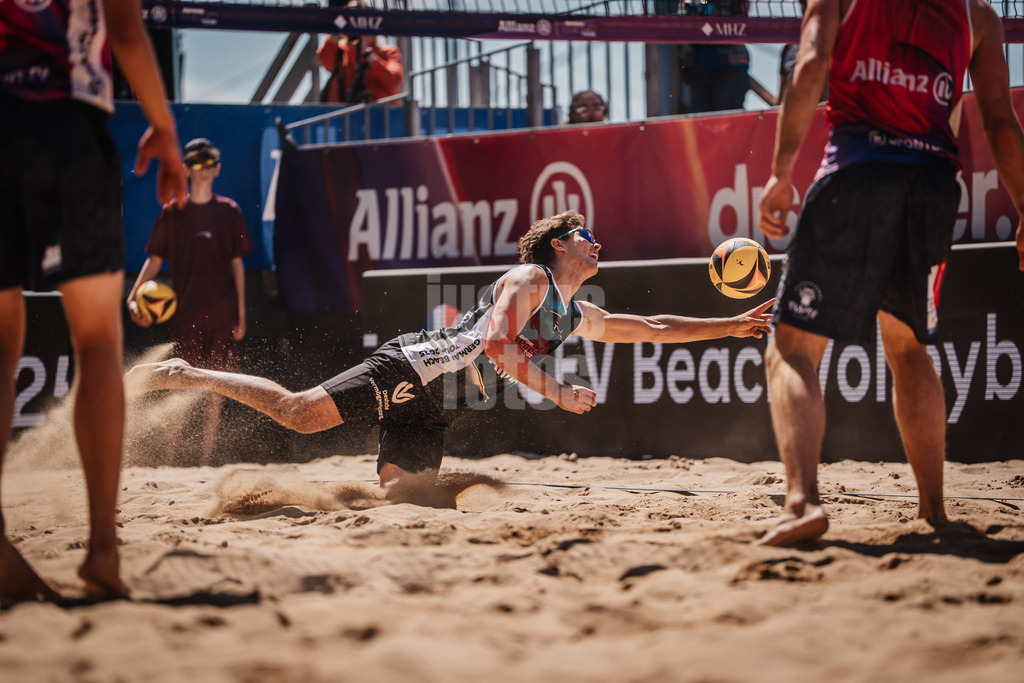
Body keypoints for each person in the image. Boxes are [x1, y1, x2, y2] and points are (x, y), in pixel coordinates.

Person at [128, 211, 774, 491]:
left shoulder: (574, 312)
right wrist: (558, 391)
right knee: (299, 413)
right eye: (587, 236)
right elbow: (495, 344)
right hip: (415, 366)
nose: (597, 245)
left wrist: (733, 323)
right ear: (558, 246)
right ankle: (186, 372)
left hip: (437, 412)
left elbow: (655, 326)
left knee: (404, 504)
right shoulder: (529, 280)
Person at [757, 0, 1024, 547]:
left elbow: (809, 65)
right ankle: (934, 511)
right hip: (931, 187)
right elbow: (1000, 122)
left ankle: (802, 502)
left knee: (792, 348)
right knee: (908, 348)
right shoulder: (978, 16)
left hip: (858, 170)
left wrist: (781, 172)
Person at [0, 0, 186, 601]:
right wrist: (164, 129)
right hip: (67, 130)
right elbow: (128, 31)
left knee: (3, 345)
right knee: (100, 342)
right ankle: (103, 552)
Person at [127, 138, 253, 466]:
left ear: (217, 169)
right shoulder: (173, 213)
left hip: (223, 313)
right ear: (185, 168)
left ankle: (205, 459)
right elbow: (154, 261)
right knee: (178, 386)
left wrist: (241, 313)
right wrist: (132, 296)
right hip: (186, 314)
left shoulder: (229, 212)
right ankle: (170, 458)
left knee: (215, 389)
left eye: (208, 164)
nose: (202, 171)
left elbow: (238, 266)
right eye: (196, 165)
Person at [317, 1, 403, 105]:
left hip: (382, 117)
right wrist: (337, 30)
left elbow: (393, 81)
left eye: (363, 24)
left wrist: (368, 55)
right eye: (353, 23)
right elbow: (325, 60)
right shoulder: (341, 52)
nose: (357, 30)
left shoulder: (388, 52)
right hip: (344, 117)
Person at [680, 0, 750, 113]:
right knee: (701, 125)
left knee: (728, 122)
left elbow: (741, 22)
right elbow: (682, 21)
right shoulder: (694, 3)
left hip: (729, 68)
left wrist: (705, 28)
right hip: (700, 69)